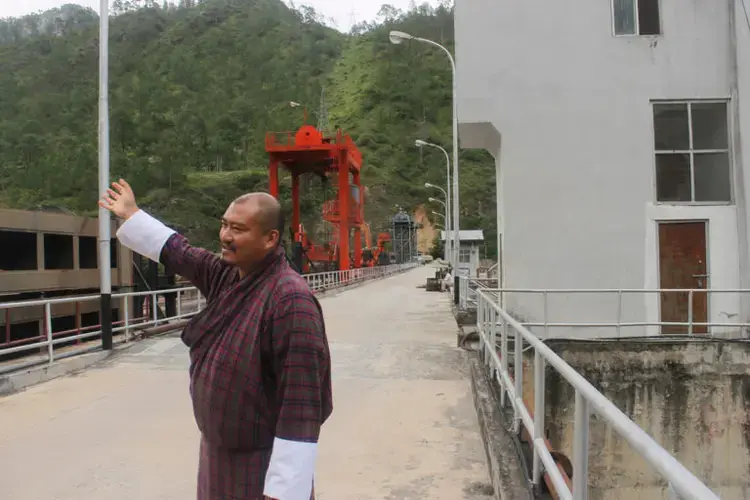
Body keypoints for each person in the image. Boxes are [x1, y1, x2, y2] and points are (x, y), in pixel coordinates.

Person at [99, 179, 333, 500]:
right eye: (224, 225)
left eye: (238, 229)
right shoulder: (228, 274)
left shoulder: (291, 300)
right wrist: (133, 214)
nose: (225, 236)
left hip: (261, 466)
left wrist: (283, 491)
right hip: (217, 457)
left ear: (270, 239)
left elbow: (301, 405)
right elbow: (182, 253)